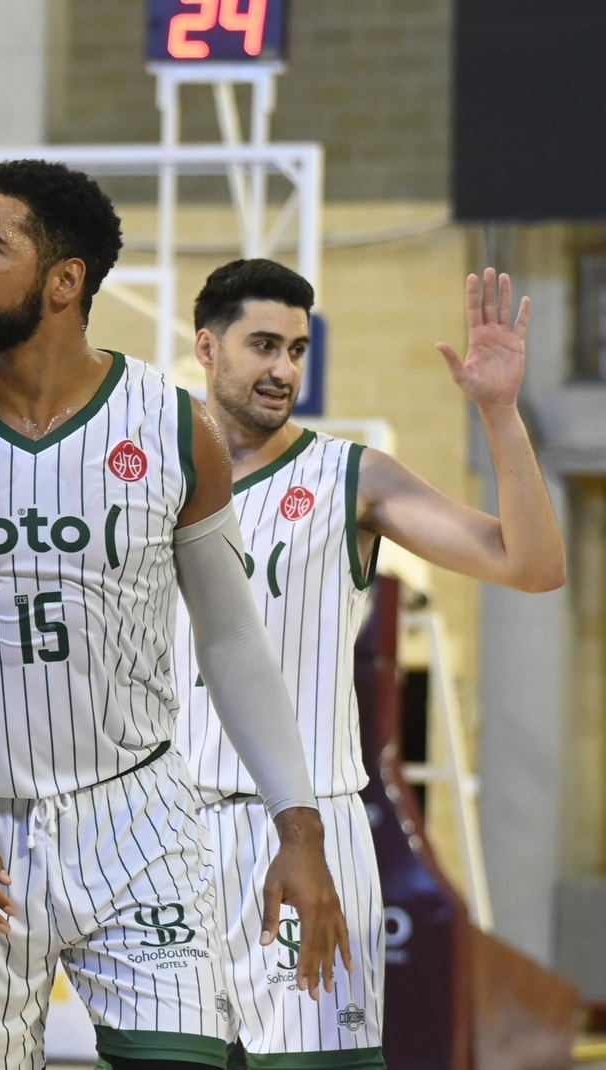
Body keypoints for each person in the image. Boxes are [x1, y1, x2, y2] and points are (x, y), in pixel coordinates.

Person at [0, 160, 350, 1070]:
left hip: (136, 822)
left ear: (64, 281)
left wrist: (297, 829)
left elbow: (231, 640)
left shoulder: (171, 427)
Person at [174, 260, 565, 1068]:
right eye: (262, 346)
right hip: (169, 831)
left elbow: (531, 563)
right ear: (207, 348)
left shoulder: (348, 478)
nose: (283, 369)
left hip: (309, 826)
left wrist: (499, 413)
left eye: (297, 349)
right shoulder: (148, 474)